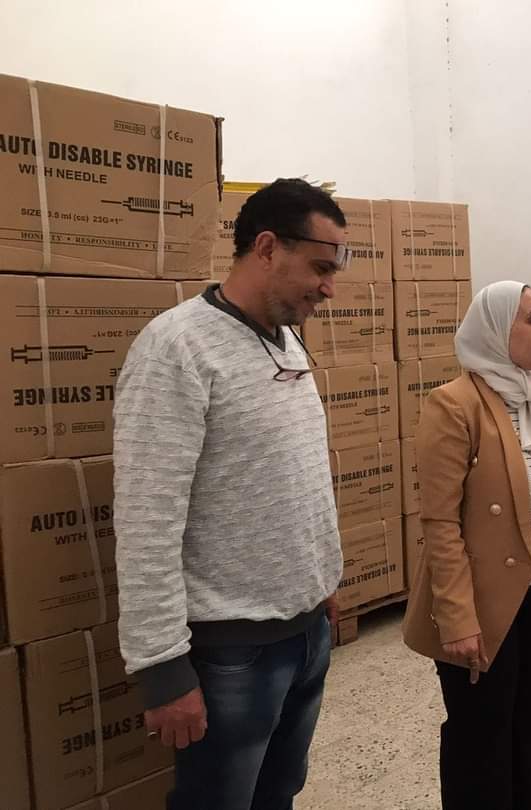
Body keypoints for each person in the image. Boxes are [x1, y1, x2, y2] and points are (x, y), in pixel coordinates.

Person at [113, 178, 347, 809]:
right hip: (231, 652)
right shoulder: (177, 348)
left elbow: (296, 475)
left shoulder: (287, 339)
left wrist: (323, 579)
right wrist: (162, 666)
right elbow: (146, 518)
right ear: (267, 247)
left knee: (279, 793)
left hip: (305, 633)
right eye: (320, 267)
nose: (329, 288)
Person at [403, 280, 531, 810]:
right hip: (484, 604)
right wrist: (457, 618)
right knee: (481, 739)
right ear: (494, 330)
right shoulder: (453, 405)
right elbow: (440, 523)